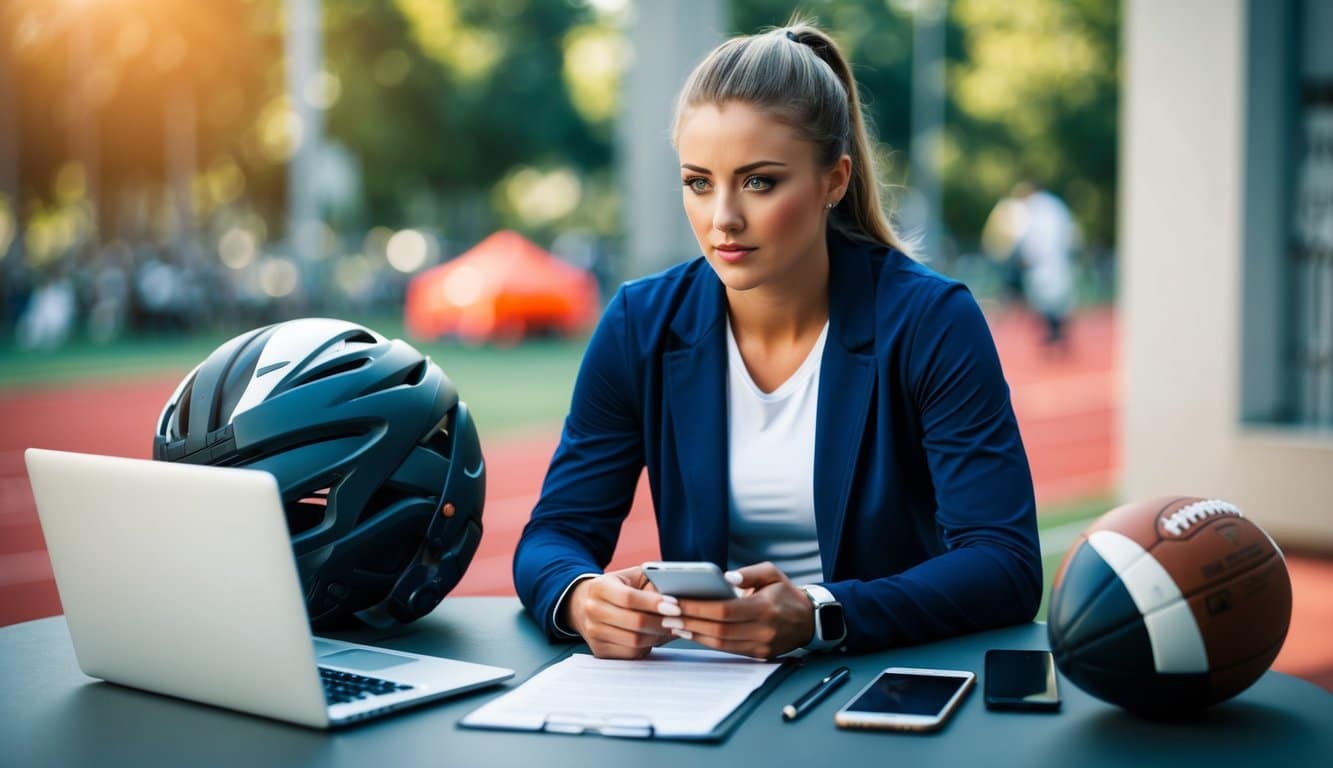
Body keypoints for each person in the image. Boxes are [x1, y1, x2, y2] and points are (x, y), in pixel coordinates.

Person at [513, 21, 1041, 660]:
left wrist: (821, 613)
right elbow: (555, 534)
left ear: (834, 181)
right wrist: (579, 595)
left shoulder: (931, 320)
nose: (722, 218)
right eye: (698, 182)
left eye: (759, 181)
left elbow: (1003, 563)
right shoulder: (638, 326)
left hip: (879, 680)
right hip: (707, 688)